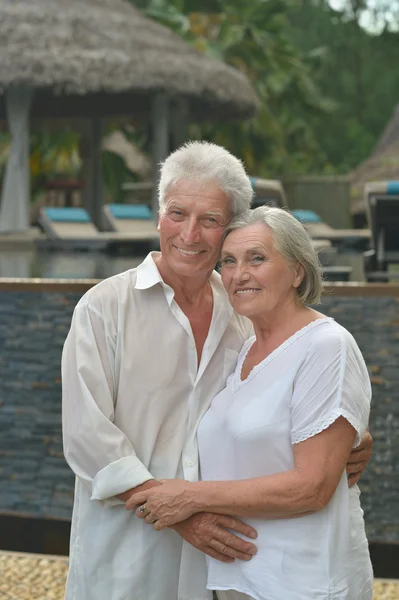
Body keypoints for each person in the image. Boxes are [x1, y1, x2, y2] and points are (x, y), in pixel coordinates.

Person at [62, 141, 372, 600]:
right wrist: (184, 512)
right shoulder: (104, 308)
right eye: (176, 213)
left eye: (209, 221)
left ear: (229, 228)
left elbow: (293, 400)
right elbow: (88, 437)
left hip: (227, 561)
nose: (189, 234)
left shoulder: (247, 309)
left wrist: (351, 437)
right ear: (158, 215)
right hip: (130, 547)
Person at [127, 206, 373, 600]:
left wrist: (190, 497)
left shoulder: (326, 346)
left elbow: (312, 488)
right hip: (238, 578)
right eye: (228, 261)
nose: (238, 274)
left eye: (256, 258)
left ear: (298, 271)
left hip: (304, 583)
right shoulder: (243, 349)